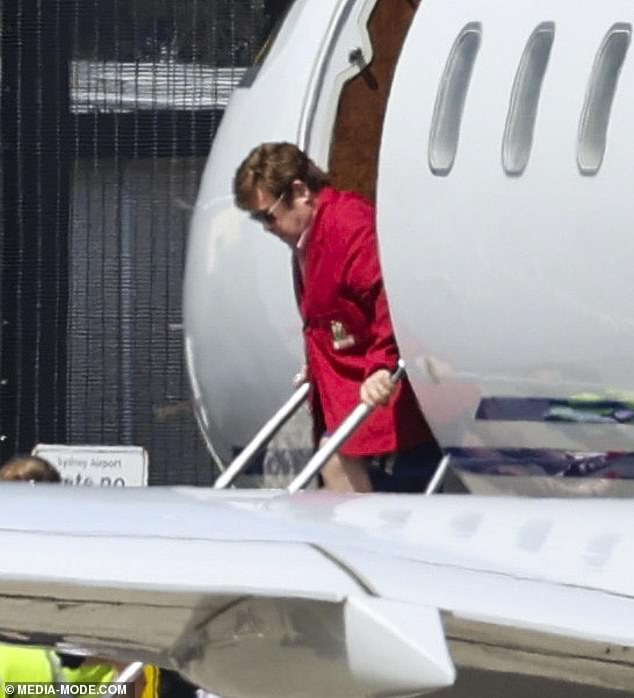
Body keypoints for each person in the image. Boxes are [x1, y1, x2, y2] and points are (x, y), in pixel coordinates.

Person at [233, 142, 441, 492]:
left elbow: (387, 295)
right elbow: (329, 318)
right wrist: (314, 367)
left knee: (333, 457)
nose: (267, 227)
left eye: (268, 215)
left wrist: (381, 364)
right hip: (343, 393)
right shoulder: (308, 240)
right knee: (333, 459)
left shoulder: (349, 226)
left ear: (300, 192)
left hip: (378, 396)